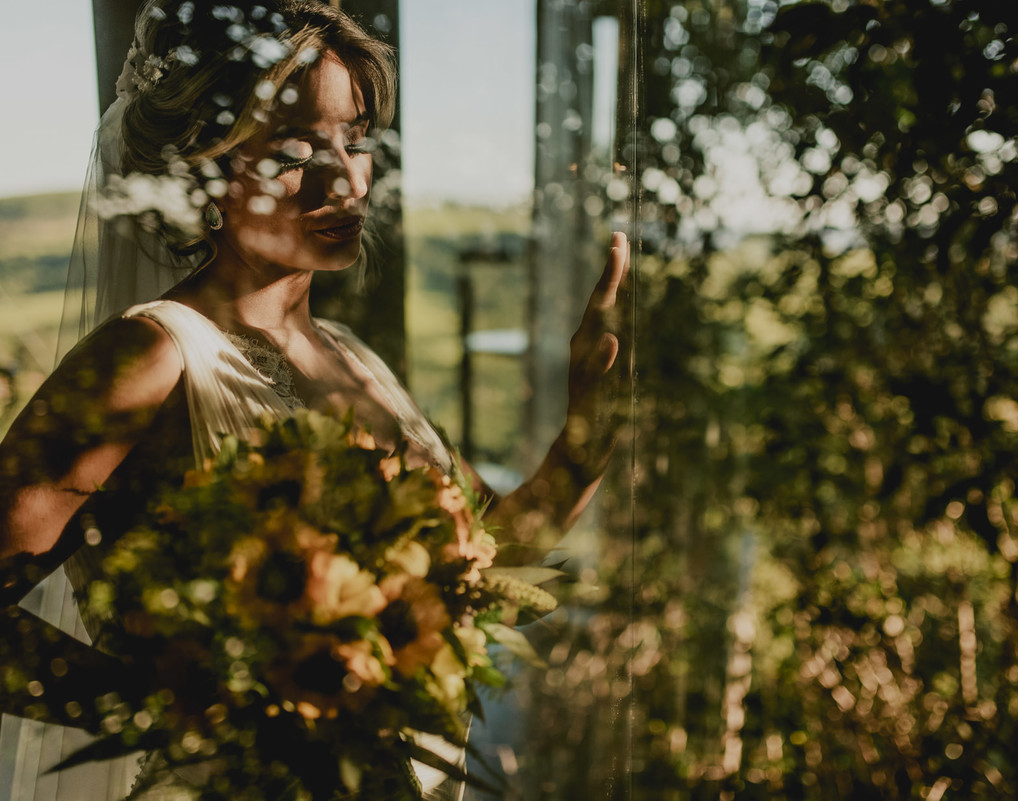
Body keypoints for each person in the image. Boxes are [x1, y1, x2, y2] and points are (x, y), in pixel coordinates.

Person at [0, 1, 629, 798]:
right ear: (201, 166)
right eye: (295, 150)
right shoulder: (151, 355)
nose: (346, 178)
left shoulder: (357, 362)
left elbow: (483, 574)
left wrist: (588, 432)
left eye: (356, 139)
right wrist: (169, 709)